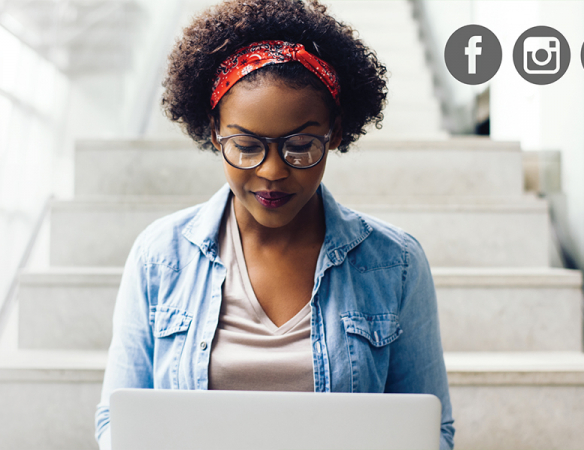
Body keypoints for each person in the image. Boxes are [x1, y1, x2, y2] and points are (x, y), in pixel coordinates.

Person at [95, 1, 455, 449]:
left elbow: (431, 432)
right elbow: (116, 421)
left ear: (335, 133)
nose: (272, 171)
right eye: (246, 146)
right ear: (214, 133)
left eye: (300, 146)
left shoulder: (395, 263)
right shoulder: (160, 255)